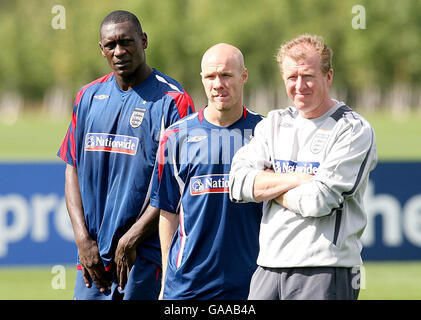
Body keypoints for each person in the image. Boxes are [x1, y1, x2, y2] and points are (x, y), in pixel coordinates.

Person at [57, 10, 194, 300]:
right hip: (93, 260)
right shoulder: (87, 97)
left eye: (127, 42)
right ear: (102, 49)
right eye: (111, 45)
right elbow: (72, 168)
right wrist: (82, 239)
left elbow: (179, 186)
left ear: (143, 41)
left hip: (145, 257)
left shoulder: (173, 100)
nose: (119, 51)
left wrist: (133, 237)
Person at [229, 34, 377, 300]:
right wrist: (297, 178)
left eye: (308, 75)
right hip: (267, 266)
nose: (299, 85)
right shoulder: (274, 123)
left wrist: (269, 183)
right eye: (291, 77)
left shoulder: (353, 129)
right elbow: (238, 183)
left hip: (324, 269)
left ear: (328, 76)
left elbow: (318, 201)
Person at [150, 43, 263, 299]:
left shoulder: (267, 133)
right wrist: (167, 279)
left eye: (226, 75)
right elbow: (168, 212)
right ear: (202, 79)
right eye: (210, 76)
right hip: (187, 287)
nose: (217, 84)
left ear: (243, 76)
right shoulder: (176, 136)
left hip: (251, 285)